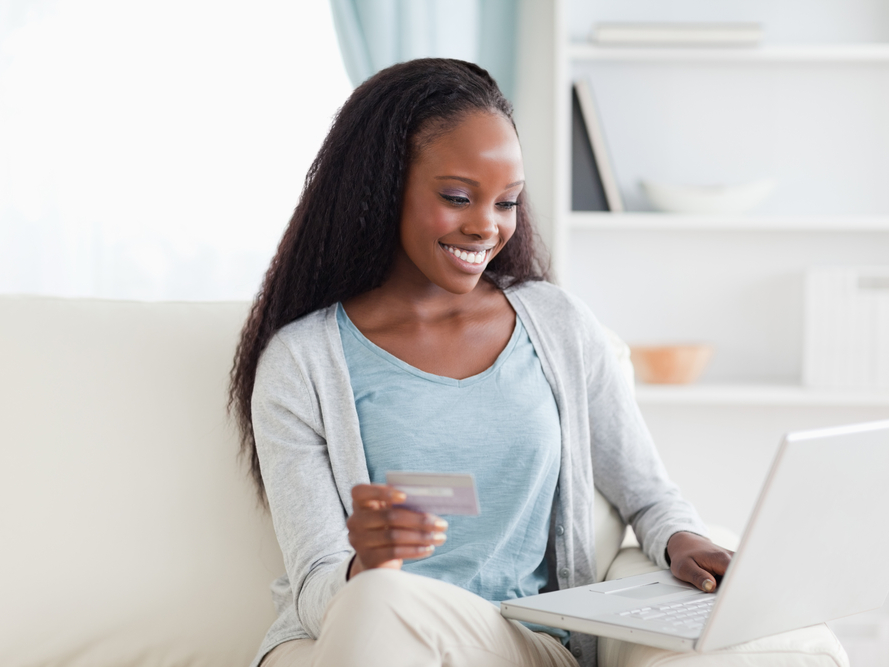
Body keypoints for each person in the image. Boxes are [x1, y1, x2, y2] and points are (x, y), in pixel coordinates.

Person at [230, 58, 732, 667]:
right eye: (458, 197)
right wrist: (364, 567)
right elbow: (315, 585)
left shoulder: (559, 326)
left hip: (514, 645)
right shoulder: (301, 362)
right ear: (383, 186)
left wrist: (684, 541)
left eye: (508, 202)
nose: (486, 227)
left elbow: (650, 498)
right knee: (377, 601)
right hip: (349, 632)